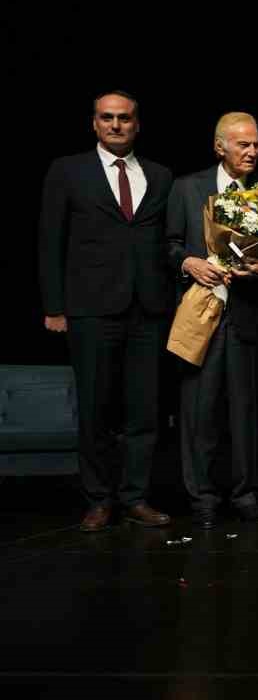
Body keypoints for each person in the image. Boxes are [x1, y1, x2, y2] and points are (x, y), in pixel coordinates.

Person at [38, 90, 174, 532]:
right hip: (90, 309)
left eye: (124, 118)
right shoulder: (68, 171)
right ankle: (99, 500)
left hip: (148, 310)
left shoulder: (160, 174)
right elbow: (49, 240)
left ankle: (135, 497)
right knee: (95, 409)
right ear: (94, 123)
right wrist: (54, 307)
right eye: (107, 118)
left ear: (137, 123)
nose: (116, 125)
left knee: (144, 411)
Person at [167, 112, 258, 528]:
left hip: (248, 318)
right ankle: (202, 496)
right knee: (199, 413)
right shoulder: (186, 189)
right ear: (220, 147)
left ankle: (247, 493)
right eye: (243, 144)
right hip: (201, 316)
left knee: (247, 413)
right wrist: (190, 263)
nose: (252, 151)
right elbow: (166, 247)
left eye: (256, 144)